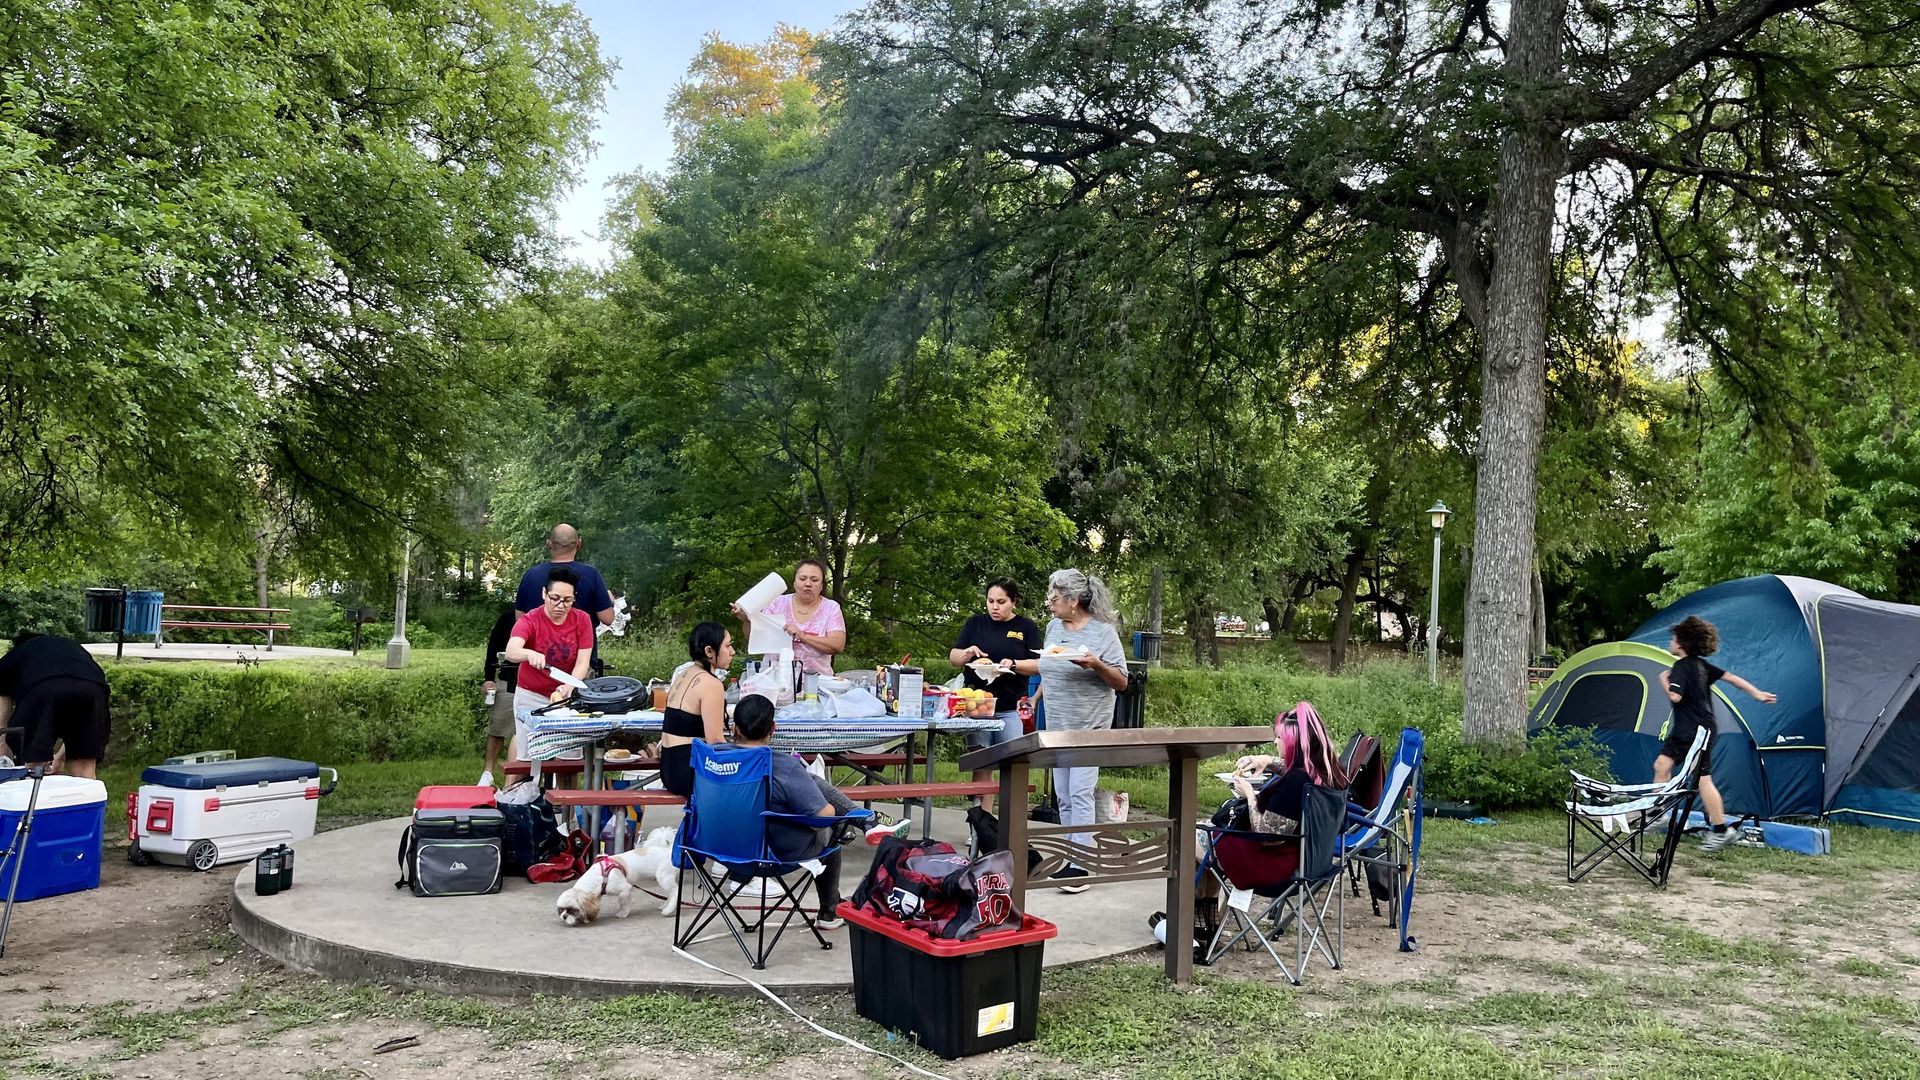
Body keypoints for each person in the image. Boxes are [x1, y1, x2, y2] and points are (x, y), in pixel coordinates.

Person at [1006, 568, 1128, 893]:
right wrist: (1028, 689)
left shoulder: (1102, 633)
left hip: (1089, 725)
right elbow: (1050, 666)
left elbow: (1122, 680)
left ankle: (1082, 867)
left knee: (1080, 792)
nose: (1049, 603)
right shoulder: (1053, 628)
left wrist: (1097, 665)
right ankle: (1072, 858)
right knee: (1064, 796)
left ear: (1073, 600)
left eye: (1054, 598)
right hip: (1058, 723)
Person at [728, 694, 875, 930]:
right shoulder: (783, 765)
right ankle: (830, 911)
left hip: (720, 847)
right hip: (774, 853)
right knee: (836, 826)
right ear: (773, 728)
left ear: (734, 727)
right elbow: (822, 819)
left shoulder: (713, 757)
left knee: (808, 780)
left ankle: (867, 819)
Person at [1656, 615, 1776, 853]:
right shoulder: (1701, 665)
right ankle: (1659, 814)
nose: (1670, 642)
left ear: (1681, 643)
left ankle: (1721, 830)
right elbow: (1732, 679)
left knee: (1702, 779)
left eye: (1673, 639)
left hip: (1694, 730)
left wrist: (1663, 680)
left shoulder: (1682, 666)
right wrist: (1756, 694)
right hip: (1693, 728)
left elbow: (1675, 696)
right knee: (1662, 765)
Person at [949, 578, 1040, 811]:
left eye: (1001, 601)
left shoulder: (1026, 628)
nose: (995, 607)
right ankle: (980, 824)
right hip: (978, 707)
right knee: (981, 765)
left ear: (1014, 602)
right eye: (990, 601)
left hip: (1010, 708)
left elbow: (1038, 665)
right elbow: (953, 659)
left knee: (1013, 767)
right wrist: (968, 653)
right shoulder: (975, 624)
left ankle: (1011, 825)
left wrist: (1014, 664)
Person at [504, 567, 595, 759]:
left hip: (566, 696)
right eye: (555, 598)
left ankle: (564, 790)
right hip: (531, 694)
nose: (560, 605)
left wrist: (570, 685)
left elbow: (582, 662)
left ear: (574, 599)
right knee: (529, 757)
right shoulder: (530, 619)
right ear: (544, 593)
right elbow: (511, 651)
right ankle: (526, 788)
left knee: (568, 759)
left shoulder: (582, 620)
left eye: (567, 600)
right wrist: (529, 653)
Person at [0, 633, 110, 779]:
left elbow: (2, 711)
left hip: (43, 688)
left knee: (34, 765)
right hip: (94, 690)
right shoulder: (70, 647)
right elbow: (80, 730)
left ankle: (33, 796)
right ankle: (87, 801)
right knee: (84, 767)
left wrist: (3, 747)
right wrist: (60, 757)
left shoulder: (15, 655)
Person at [515, 523, 615, 672]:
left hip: (537, 664)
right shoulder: (591, 575)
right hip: (579, 665)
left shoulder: (531, 575)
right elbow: (608, 618)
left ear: (549, 544)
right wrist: (609, 600)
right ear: (579, 544)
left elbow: (519, 619)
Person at [732, 559, 846, 676]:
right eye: (802, 579)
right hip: (772, 679)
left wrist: (803, 636)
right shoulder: (777, 602)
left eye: (814, 580)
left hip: (815, 682)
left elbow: (837, 645)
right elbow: (754, 637)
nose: (808, 584)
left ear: (822, 585)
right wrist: (746, 619)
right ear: (794, 583)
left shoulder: (831, 607)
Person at [661, 622, 733, 797]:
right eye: (728, 645)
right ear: (709, 651)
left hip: (668, 768)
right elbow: (715, 741)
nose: (732, 651)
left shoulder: (682, 675)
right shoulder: (712, 684)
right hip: (689, 771)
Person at [476, 606, 519, 787]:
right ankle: (487, 773)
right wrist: (488, 678)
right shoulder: (508, 618)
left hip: (539, 685)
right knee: (497, 727)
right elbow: (493, 647)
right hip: (508, 680)